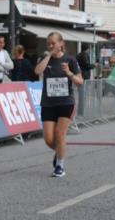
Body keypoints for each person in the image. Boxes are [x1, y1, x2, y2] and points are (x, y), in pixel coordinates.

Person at [35, 31, 83, 177]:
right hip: (48, 103)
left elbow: (80, 82)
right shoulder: (45, 58)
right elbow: (37, 71)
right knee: (49, 138)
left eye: (53, 43)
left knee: (60, 134)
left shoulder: (70, 59)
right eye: (48, 43)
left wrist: (69, 73)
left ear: (61, 43)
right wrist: (49, 55)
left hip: (66, 102)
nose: (51, 45)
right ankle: (59, 152)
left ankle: (60, 166)